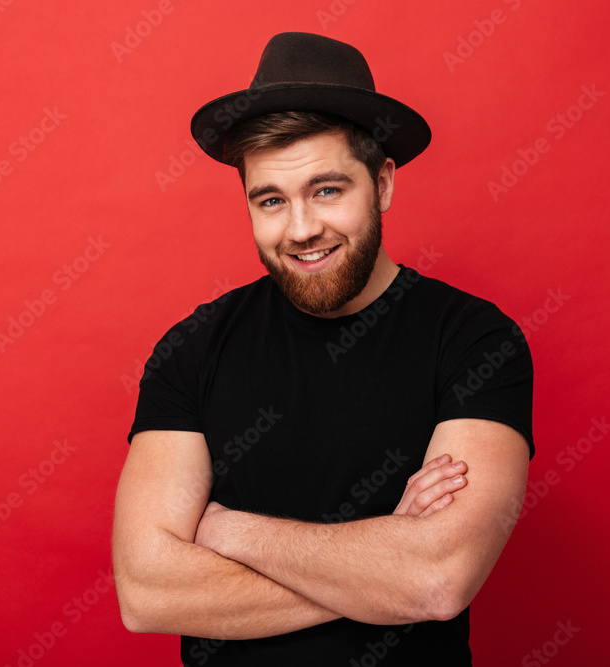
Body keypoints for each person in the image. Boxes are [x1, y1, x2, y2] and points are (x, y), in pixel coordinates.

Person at [114, 32, 534, 666]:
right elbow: (147, 594)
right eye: (271, 201)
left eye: (328, 190)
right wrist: (387, 560)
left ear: (382, 183)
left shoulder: (475, 340)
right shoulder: (192, 348)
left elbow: (437, 579)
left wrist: (229, 530)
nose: (303, 228)